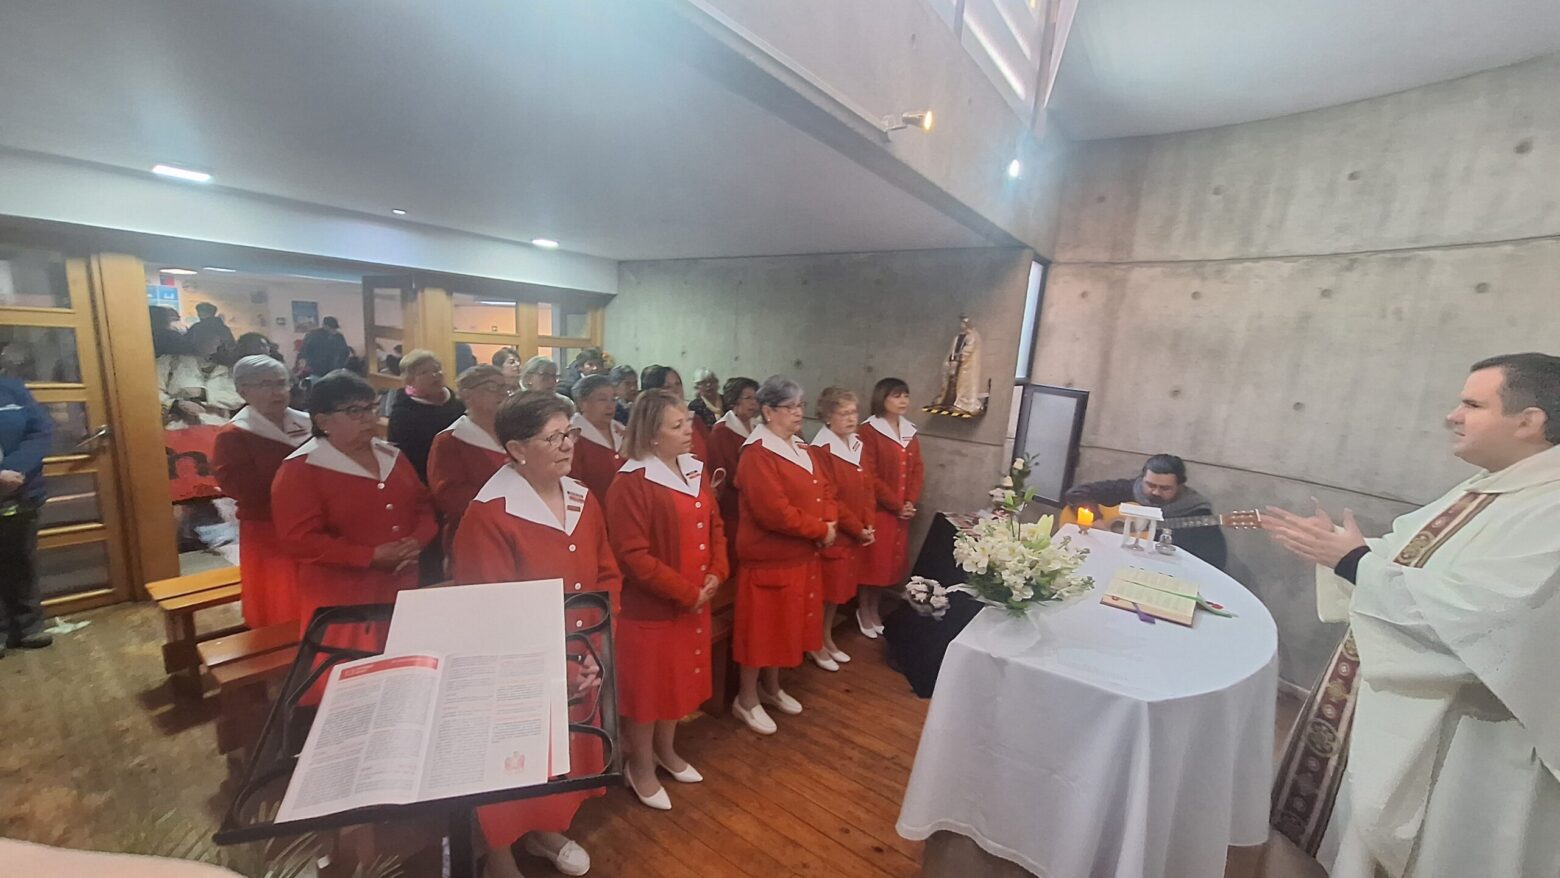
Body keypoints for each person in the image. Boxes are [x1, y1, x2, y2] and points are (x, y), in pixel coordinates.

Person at [1263, 353, 1560, 878]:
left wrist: (1354, 561)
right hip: (1422, 720)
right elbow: (1409, 557)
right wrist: (1344, 552)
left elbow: (1498, 619)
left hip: (1477, 741)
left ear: (1529, 421)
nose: (1452, 415)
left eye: (1471, 403)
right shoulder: (1490, 487)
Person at [451, 392, 621, 878]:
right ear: (517, 448)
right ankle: (499, 855)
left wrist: (597, 645)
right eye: (554, 437)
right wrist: (563, 665)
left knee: (561, 761)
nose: (568, 445)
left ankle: (546, 832)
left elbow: (606, 574)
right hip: (520, 668)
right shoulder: (491, 514)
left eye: (570, 433)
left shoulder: (581, 495)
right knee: (515, 760)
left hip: (583, 656)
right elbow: (491, 613)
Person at [604, 389, 728, 810]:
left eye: (688, 422)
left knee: (677, 686)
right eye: (677, 426)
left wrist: (716, 573)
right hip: (653, 609)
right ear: (652, 435)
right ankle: (639, 765)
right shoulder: (630, 482)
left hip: (694, 600)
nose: (689, 431)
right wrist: (687, 592)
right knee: (648, 695)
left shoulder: (693, 468)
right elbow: (633, 556)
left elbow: (715, 526)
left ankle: (666, 751)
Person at [271, 371, 436, 659]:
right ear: (323, 422)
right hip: (344, 592)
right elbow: (299, 539)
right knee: (350, 669)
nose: (369, 418)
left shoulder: (391, 456)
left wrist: (417, 541)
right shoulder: (301, 469)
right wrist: (368, 556)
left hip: (403, 583)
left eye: (372, 408)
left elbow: (423, 505)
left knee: (403, 661)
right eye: (354, 411)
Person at [730, 375, 835, 735]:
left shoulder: (800, 447)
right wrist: (820, 530)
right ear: (768, 411)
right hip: (769, 557)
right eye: (791, 407)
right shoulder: (757, 453)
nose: (798, 414)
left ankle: (771, 688)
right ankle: (746, 698)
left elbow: (824, 489)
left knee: (783, 628)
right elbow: (772, 512)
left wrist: (830, 521)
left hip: (800, 555)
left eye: (801, 406)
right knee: (760, 632)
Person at [211, 356, 311, 629]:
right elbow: (240, 487)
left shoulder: (307, 424)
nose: (277, 392)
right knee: (279, 599)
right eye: (266, 385)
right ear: (243, 391)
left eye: (282, 383)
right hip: (268, 528)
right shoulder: (234, 434)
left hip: (313, 524)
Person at [1062, 454, 1228, 569]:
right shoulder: (1132, 489)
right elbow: (1076, 493)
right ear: (1142, 479)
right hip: (1106, 561)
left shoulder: (1195, 511)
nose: (1155, 492)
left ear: (1180, 486)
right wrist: (1097, 523)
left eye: (1165, 488)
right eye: (1150, 485)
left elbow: (1215, 559)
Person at [807, 387, 875, 671]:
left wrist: (869, 521)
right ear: (827, 417)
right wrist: (857, 527)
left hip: (856, 532)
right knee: (826, 593)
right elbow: (829, 497)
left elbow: (868, 486)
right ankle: (816, 642)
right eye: (843, 413)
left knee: (838, 593)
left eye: (853, 412)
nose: (850, 418)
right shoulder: (821, 450)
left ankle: (826, 637)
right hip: (837, 532)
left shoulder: (857, 444)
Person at [856, 377, 923, 636]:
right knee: (872, 564)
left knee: (888, 567)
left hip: (901, 512)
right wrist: (896, 504)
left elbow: (918, 468)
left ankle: (875, 608)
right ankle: (865, 609)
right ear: (882, 398)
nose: (903, 400)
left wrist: (910, 502)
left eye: (905, 395)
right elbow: (869, 475)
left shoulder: (909, 431)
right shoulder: (869, 431)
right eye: (897, 396)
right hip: (880, 510)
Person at [427, 365, 510, 555]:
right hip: (474, 536)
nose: (502, 393)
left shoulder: (515, 433)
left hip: (518, 531)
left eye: (504, 387)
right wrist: (507, 500)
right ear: (467, 394)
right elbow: (449, 496)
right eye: (492, 387)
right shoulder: (450, 440)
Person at [0, 374, 52, 654]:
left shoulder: (12, 389)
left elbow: (40, 431)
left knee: (22, 560)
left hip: (20, 492)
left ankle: (29, 626)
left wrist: (12, 472)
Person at [387, 349, 466, 484]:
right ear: (410, 380)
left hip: (463, 475)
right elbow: (402, 457)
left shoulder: (459, 403)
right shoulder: (402, 414)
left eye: (437, 369)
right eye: (424, 372)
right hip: (425, 480)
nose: (434, 375)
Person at [708, 377, 759, 560]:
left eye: (755, 398)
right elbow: (726, 471)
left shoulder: (757, 427)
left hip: (755, 502)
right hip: (734, 505)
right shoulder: (721, 431)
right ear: (734, 399)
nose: (753, 403)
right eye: (748, 398)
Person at [159, 318, 243, 425]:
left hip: (217, 429)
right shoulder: (169, 362)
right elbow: (152, 392)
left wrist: (203, 394)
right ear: (194, 338)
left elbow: (239, 397)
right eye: (208, 336)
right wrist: (176, 404)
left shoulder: (229, 369)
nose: (214, 341)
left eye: (218, 338)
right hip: (178, 429)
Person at [568, 373, 626, 499]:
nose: (610, 406)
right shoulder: (573, 437)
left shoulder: (623, 432)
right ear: (583, 403)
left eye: (613, 399)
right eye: (602, 399)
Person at [640, 365, 708, 462]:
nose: (676, 391)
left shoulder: (696, 421)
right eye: (667, 387)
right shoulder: (646, 427)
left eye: (678, 384)